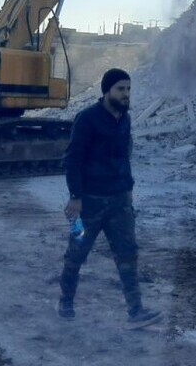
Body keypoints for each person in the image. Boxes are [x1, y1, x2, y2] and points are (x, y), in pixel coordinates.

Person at [58, 68, 162, 328]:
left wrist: (127, 189)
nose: (126, 94)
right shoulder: (87, 119)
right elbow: (73, 161)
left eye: (128, 89)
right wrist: (75, 197)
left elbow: (124, 155)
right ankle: (65, 302)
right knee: (76, 253)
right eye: (120, 89)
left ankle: (136, 312)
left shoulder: (124, 119)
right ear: (107, 91)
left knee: (128, 254)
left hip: (120, 204)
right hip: (88, 205)